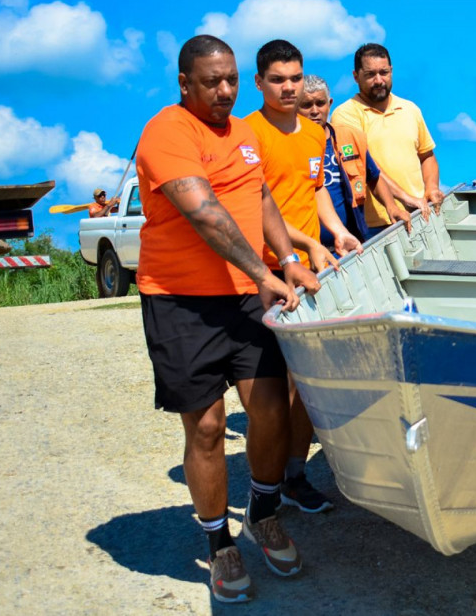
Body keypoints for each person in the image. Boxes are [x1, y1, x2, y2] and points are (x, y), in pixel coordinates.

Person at [135, 34, 320, 603]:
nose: (224, 91)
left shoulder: (241, 133)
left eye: (232, 80)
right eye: (212, 81)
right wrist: (267, 277)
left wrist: (288, 259)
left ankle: (262, 514)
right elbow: (205, 213)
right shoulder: (167, 132)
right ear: (185, 83)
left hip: (243, 295)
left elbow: (260, 197)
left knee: (268, 410)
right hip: (180, 301)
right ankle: (219, 545)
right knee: (209, 427)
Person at [242, 40, 363, 516]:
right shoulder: (246, 134)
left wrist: (335, 235)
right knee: (272, 387)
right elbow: (256, 206)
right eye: (278, 80)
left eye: (296, 78)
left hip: (309, 268)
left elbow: (315, 194)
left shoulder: (315, 135)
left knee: (309, 382)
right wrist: (304, 247)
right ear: (260, 83)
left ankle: (295, 475)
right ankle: (265, 487)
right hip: (266, 272)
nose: (289, 88)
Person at [330, 44, 443, 233]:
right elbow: (365, 165)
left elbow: (427, 156)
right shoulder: (345, 115)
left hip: (418, 215)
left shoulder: (410, 109)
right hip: (372, 224)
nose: (378, 80)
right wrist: (405, 198)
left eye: (384, 72)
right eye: (370, 74)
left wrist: (431, 188)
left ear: (391, 71)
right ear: (356, 76)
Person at [297, 74, 410, 246]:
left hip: (351, 242)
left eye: (320, 103)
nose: (314, 111)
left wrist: (391, 207)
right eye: (306, 105)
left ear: (330, 104)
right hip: (308, 245)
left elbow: (373, 176)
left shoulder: (349, 136)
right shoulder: (290, 145)